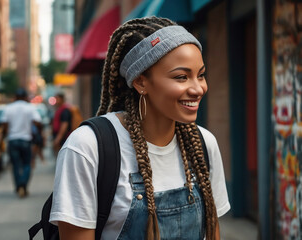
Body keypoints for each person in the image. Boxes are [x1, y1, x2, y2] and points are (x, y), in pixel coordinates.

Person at [50, 17, 230, 240]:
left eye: (200, 75)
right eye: (181, 77)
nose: (198, 88)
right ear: (141, 82)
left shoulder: (204, 144)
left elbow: (212, 232)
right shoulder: (88, 147)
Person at [1, 88, 42, 198]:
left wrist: (6, 133)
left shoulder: (9, 108)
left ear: (15, 97)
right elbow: (38, 121)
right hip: (25, 140)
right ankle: (23, 184)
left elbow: (4, 124)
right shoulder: (29, 108)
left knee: (15, 165)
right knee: (27, 164)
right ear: (25, 97)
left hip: (13, 139)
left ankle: (19, 185)